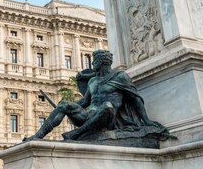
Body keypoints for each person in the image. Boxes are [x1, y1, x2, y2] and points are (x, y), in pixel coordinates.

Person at [24, 50, 162, 141]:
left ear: (101, 62)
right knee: (65, 104)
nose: (91, 64)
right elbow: (85, 101)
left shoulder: (120, 77)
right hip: (89, 115)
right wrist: (65, 107)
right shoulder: (93, 80)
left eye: (94, 61)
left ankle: (77, 133)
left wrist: (146, 120)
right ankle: (38, 136)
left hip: (108, 118)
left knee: (107, 106)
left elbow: (135, 99)